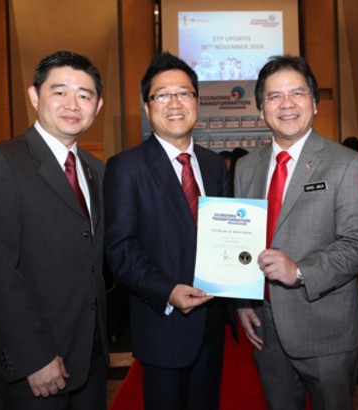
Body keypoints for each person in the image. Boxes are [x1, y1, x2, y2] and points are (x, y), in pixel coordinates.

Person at [0, 50, 108, 410]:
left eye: (85, 95)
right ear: (34, 96)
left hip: (90, 356)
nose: (72, 103)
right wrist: (33, 358)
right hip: (37, 367)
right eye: (59, 91)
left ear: (98, 105)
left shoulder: (96, 169)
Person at [234, 55, 358, 410]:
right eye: (274, 96)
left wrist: (299, 272)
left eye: (297, 93)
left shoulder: (346, 163)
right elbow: (241, 241)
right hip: (265, 330)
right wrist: (242, 301)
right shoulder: (246, 167)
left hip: (325, 330)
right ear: (261, 109)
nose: (286, 104)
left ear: (314, 102)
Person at [104, 51, 237, 410]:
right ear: (147, 108)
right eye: (162, 95)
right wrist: (168, 291)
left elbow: (225, 236)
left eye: (184, 93)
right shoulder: (125, 167)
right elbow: (121, 249)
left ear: (197, 102)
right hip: (163, 325)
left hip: (212, 324)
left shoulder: (213, 165)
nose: (174, 102)